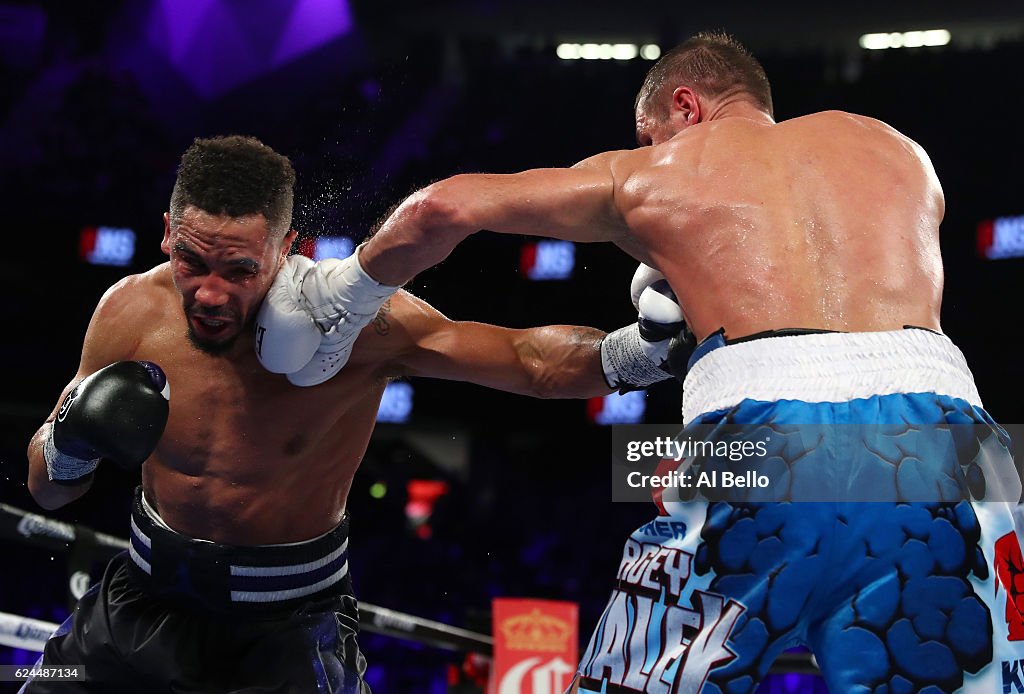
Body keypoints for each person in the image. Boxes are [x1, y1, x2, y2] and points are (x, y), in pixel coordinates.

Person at [313, 31, 1024, 693]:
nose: (647, 147)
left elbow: (444, 206)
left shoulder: (655, 172)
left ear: (686, 106)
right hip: (956, 445)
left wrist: (345, 289)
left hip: (760, 440)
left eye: (647, 133)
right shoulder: (895, 149)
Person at [23, 135, 685, 693]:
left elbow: (525, 360)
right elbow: (46, 487)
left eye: (239, 269)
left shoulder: (357, 329)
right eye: (192, 262)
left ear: (286, 249)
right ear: (167, 232)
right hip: (141, 599)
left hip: (288, 630)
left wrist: (642, 350)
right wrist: (71, 441)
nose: (211, 292)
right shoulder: (129, 312)